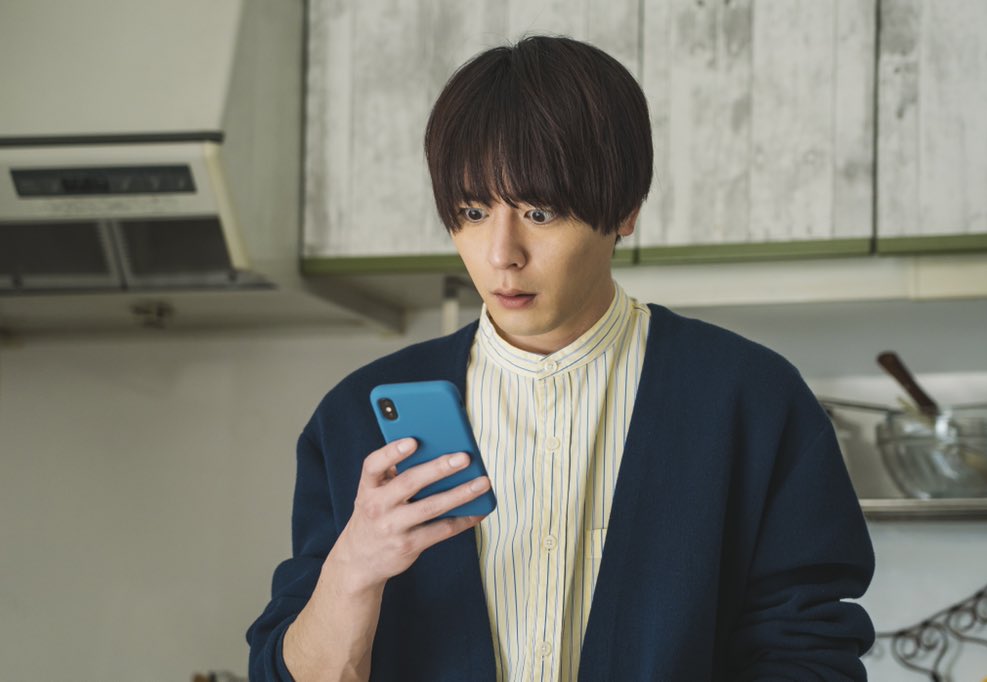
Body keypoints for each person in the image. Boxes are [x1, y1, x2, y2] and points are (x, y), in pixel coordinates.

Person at [247, 35, 874, 681]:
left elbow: (808, 653)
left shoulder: (749, 399)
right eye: (472, 211)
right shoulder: (356, 418)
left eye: (539, 212)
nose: (502, 254)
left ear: (625, 209)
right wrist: (354, 567)